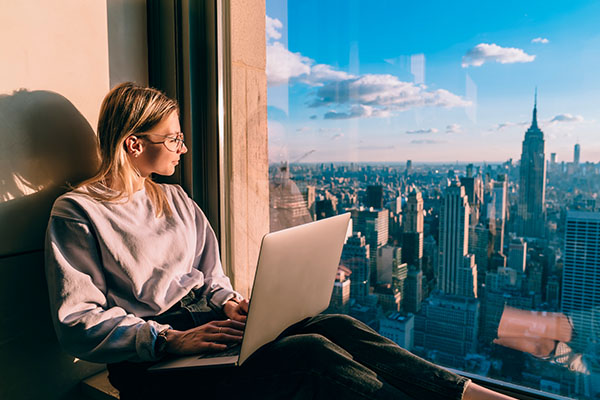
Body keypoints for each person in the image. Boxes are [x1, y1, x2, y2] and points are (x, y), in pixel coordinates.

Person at [45, 82, 515, 400]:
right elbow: (77, 321)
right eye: (173, 139)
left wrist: (229, 303)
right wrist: (171, 339)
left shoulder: (175, 199)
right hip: (154, 363)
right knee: (308, 354)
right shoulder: (79, 212)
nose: (183, 148)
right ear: (133, 144)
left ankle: (475, 396)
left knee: (334, 325)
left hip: (210, 328)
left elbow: (210, 278)